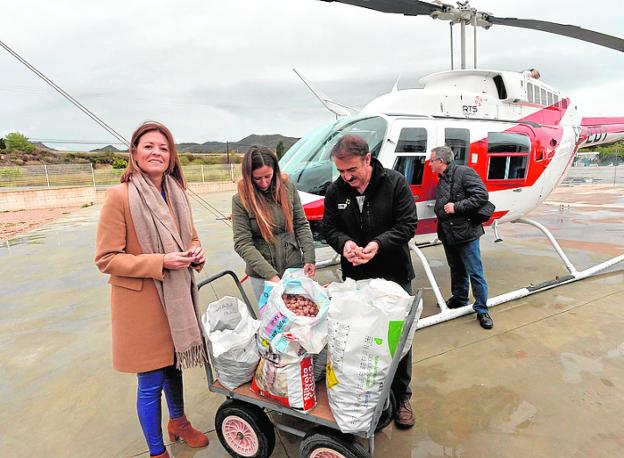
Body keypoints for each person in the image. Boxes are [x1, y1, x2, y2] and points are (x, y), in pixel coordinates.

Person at [95, 122, 209, 458]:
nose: (156, 152)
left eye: (163, 147)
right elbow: (106, 258)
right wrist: (160, 262)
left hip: (175, 299)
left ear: (171, 156)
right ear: (134, 153)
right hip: (142, 304)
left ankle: (178, 422)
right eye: (148, 146)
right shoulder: (120, 197)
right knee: (149, 384)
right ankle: (157, 451)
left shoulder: (175, 193)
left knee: (174, 368)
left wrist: (197, 252)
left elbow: (190, 237)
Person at [322, 134, 418, 429]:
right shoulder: (336, 191)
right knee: (360, 341)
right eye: (340, 171)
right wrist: (345, 244)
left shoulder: (394, 182)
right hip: (356, 279)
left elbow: (407, 225)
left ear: (367, 159)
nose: (346, 177)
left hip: (393, 275)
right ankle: (368, 398)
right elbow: (329, 227)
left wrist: (377, 244)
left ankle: (401, 397)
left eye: (351, 170)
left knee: (397, 340)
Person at [232, 145, 316, 300]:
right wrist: (270, 275)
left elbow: (301, 225)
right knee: (271, 320)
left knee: (301, 312)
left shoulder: (289, 188)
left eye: (268, 176)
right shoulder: (240, 200)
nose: (264, 183)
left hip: (293, 266)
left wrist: (309, 257)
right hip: (261, 275)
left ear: (275, 172)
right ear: (248, 176)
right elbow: (242, 243)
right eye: (257, 178)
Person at [429, 145, 493, 330]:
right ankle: (460, 298)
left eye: (431, 161)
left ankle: (482, 309)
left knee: (475, 272)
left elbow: (481, 195)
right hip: (448, 233)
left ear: (441, 161)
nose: (429, 164)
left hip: (466, 234)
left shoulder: (464, 172)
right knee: (456, 268)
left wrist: (456, 207)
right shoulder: (442, 178)